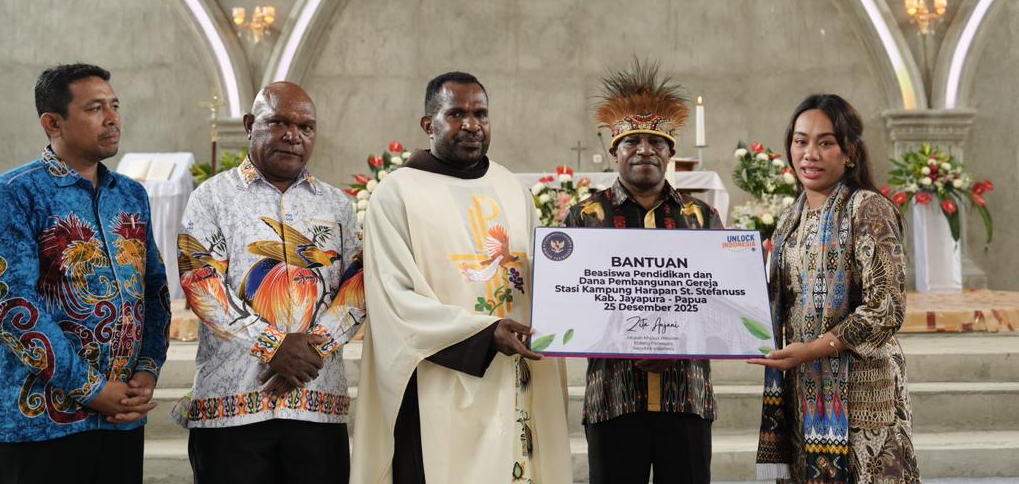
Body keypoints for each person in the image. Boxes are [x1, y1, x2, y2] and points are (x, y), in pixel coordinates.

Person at [350, 72, 571, 484]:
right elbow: (393, 299)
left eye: (480, 114)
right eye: (456, 114)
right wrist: (485, 334)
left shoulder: (511, 187)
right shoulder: (397, 193)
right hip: (438, 380)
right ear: (428, 124)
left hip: (513, 376)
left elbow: (539, 279)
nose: (471, 125)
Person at [0, 63, 171, 484]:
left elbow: (153, 289)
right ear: (53, 123)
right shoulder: (10, 195)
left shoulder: (130, 195)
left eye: (114, 105)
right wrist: (90, 389)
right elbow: (10, 307)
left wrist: (147, 371)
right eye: (95, 108)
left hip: (120, 419)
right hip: (38, 426)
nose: (112, 118)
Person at [175, 82, 365, 484]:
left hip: (316, 404)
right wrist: (272, 345)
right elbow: (201, 282)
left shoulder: (337, 205)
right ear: (250, 125)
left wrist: (311, 350)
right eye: (278, 122)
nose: (293, 135)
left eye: (305, 127)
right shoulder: (212, 198)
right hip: (231, 405)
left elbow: (357, 289)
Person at [562, 61, 721, 484]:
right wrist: (624, 336)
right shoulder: (585, 217)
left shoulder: (701, 217)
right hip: (613, 396)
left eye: (656, 141)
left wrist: (675, 341)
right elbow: (570, 301)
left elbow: (720, 299)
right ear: (615, 151)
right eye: (632, 140)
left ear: (671, 152)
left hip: (686, 395)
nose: (644, 149)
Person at [749, 94, 919, 484]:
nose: (810, 153)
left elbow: (886, 308)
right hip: (805, 389)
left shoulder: (867, 209)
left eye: (825, 143)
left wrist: (813, 349)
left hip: (861, 392)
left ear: (850, 152)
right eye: (801, 141)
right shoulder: (791, 217)